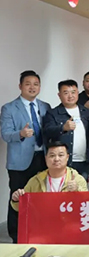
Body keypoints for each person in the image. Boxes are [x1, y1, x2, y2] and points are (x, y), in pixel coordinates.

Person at [1, 70, 51, 243]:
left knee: (41, 196)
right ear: (20, 86)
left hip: (43, 158)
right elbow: (5, 134)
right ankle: (16, 236)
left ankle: (39, 232)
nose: (32, 87)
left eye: (36, 84)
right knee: (18, 197)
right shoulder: (9, 108)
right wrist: (20, 134)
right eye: (28, 84)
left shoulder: (45, 106)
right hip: (20, 162)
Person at [10, 141, 88, 212]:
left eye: (61, 155)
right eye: (52, 155)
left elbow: (87, 204)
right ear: (46, 158)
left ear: (67, 157)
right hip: (43, 221)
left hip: (68, 221)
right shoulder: (36, 181)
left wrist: (77, 191)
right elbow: (22, 208)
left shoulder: (77, 179)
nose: (56, 159)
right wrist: (16, 199)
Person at [43, 80, 89, 180]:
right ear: (59, 95)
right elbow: (47, 131)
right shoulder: (53, 113)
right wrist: (63, 128)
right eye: (66, 93)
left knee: (81, 188)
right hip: (62, 161)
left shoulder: (86, 112)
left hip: (83, 161)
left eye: (73, 92)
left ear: (78, 93)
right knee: (63, 188)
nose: (70, 96)